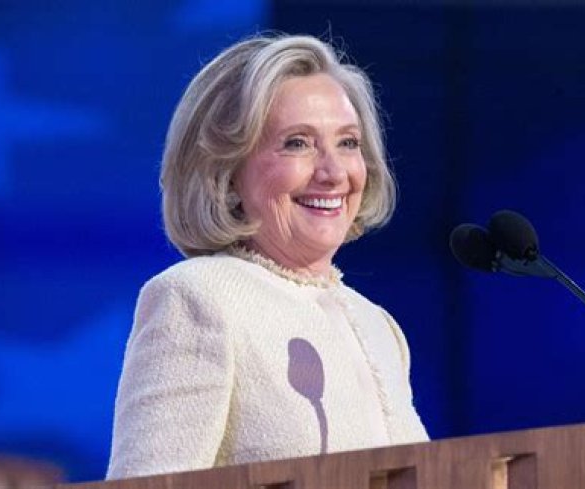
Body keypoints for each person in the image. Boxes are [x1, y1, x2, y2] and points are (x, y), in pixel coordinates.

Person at [106, 33, 429, 480]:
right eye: (297, 143)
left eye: (348, 143)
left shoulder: (378, 326)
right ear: (226, 172)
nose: (333, 172)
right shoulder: (198, 299)